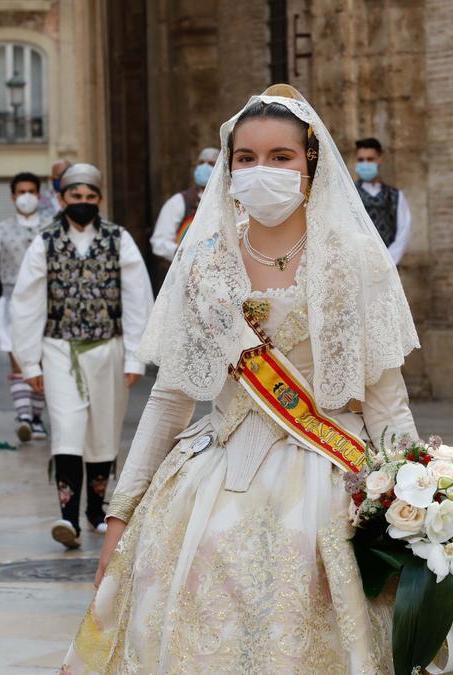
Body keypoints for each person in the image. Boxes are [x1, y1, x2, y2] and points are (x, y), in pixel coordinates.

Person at [60, 85, 420, 673]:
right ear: (227, 169)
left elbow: (387, 398)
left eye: (281, 157)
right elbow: (172, 395)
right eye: (245, 158)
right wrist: (120, 518)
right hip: (215, 470)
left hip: (328, 474)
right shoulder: (203, 261)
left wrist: (421, 507)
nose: (262, 171)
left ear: (311, 163)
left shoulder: (353, 256)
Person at [11, 163, 154, 550]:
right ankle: (67, 516)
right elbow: (26, 302)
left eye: (91, 198)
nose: (83, 203)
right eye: (76, 197)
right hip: (60, 349)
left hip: (108, 347)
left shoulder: (117, 239)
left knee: (104, 430)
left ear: (100, 200)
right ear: (61, 198)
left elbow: (137, 297)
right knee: (67, 426)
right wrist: (28, 361)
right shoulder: (45, 242)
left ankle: (96, 510)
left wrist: (136, 356)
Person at [0, 172, 48, 443]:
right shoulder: (0, 231)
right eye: (21, 191)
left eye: (31, 191)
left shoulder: (53, 227)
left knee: (42, 361)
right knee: (17, 359)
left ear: (39, 194)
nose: (26, 196)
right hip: (12, 303)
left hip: (48, 304)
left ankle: (36, 417)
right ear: (13, 197)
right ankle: (24, 416)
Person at [149, 147, 219, 264]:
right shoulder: (180, 201)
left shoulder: (232, 203)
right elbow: (159, 242)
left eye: (211, 164)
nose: (204, 167)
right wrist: (185, 254)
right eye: (201, 163)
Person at [353, 137, 412, 265]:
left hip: (389, 267)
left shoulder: (396, 196)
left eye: (370, 159)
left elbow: (404, 231)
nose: (365, 164)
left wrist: (387, 262)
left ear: (380, 159)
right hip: (358, 268)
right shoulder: (349, 194)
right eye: (361, 160)